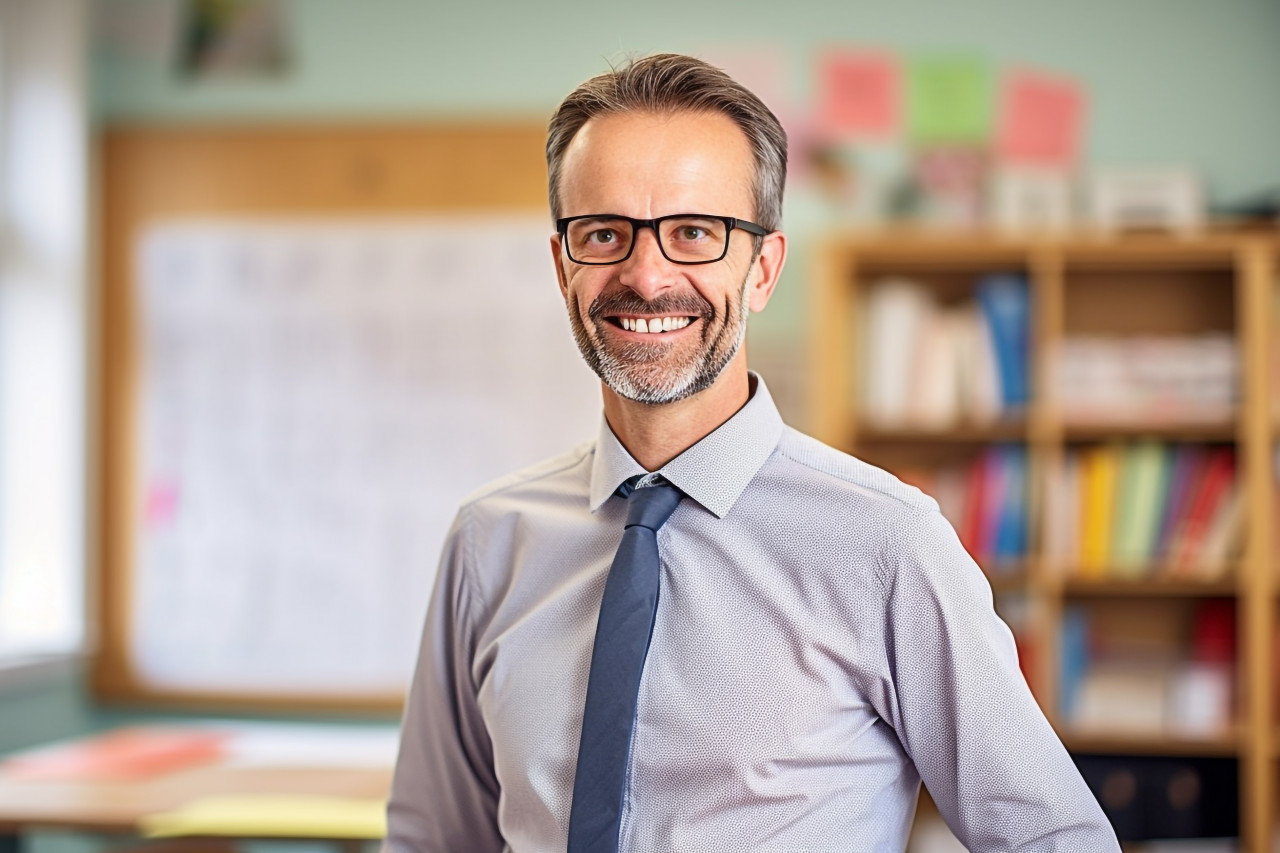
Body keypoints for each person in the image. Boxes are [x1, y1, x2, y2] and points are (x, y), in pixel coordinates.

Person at [384, 53, 1119, 853]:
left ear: (763, 268)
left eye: (694, 232)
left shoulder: (887, 542)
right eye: (604, 233)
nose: (646, 274)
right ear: (564, 266)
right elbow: (434, 838)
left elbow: (1055, 839)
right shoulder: (489, 539)